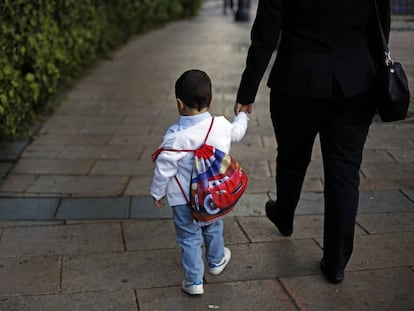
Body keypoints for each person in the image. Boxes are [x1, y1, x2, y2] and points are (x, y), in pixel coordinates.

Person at [235, 0, 390, 284]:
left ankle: (284, 214)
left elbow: (266, 32)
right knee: (344, 173)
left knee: (292, 156)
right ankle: (336, 262)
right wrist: (381, 77)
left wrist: (247, 93)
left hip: (296, 80)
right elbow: (381, 24)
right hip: (355, 81)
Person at [151, 69, 249, 295]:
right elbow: (238, 132)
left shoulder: (174, 137)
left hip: (182, 199)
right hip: (212, 196)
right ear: (211, 100)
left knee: (189, 238)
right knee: (214, 226)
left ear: (179, 103)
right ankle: (216, 261)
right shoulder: (222, 126)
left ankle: (194, 281)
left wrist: (157, 193)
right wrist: (242, 114)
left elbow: (163, 169)